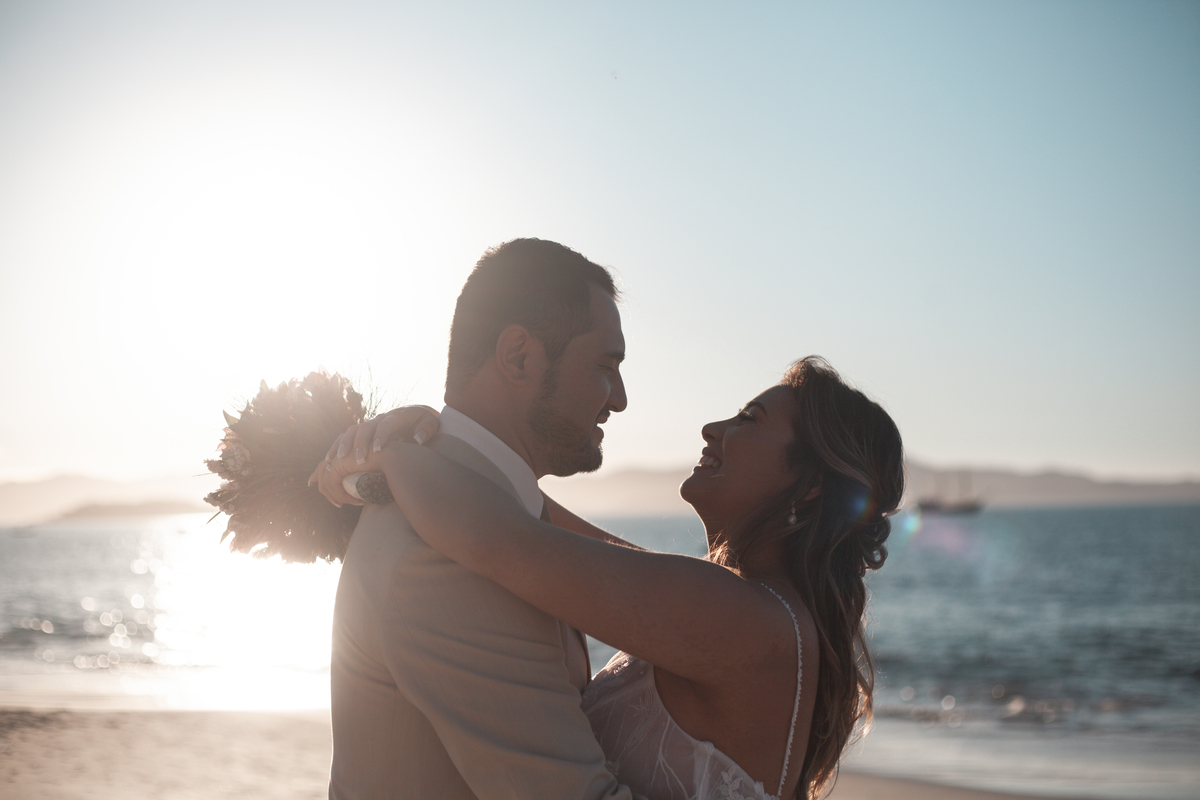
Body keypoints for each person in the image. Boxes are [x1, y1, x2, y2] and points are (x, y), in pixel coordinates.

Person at [317, 356, 904, 800]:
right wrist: (434, 436)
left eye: (749, 419)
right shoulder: (749, 608)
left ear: (811, 485)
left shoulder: (743, 617)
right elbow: (531, 514)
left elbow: (497, 539)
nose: (713, 427)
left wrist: (394, 453)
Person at [320, 238, 644, 800]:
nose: (618, 399)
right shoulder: (443, 552)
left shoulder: (479, 506)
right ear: (519, 355)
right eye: (605, 366)